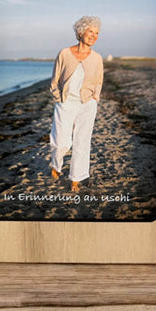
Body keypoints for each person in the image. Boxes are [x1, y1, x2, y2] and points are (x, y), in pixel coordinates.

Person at [49, 15, 103, 192]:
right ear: (81, 32)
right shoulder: (64, 53)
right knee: (61, 142)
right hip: (66, 102)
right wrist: (58, 98)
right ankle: (56, 165)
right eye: (90, 32)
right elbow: (55, 80)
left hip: (87, 104)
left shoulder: (97, 58)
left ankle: (75, 179)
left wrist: (95, 98)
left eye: (96, 33)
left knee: (82, 142)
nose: (93, 36)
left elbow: (98, 81)